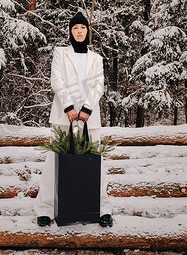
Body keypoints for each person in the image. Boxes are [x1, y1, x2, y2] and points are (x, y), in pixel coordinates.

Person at [34, 12, 113, 227]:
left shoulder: (97, 58)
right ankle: (45, 209)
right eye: (75, 28)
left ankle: (102, 209)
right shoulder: (61, 53)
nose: (79, 31)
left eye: (83, 28)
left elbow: (99, 86)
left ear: (88, 32)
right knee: (54, 162)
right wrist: (69, 107)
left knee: (95, 162)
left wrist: (86, 108)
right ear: (71, 31)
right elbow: (56, 80)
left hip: (90, 118)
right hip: (63, 115)